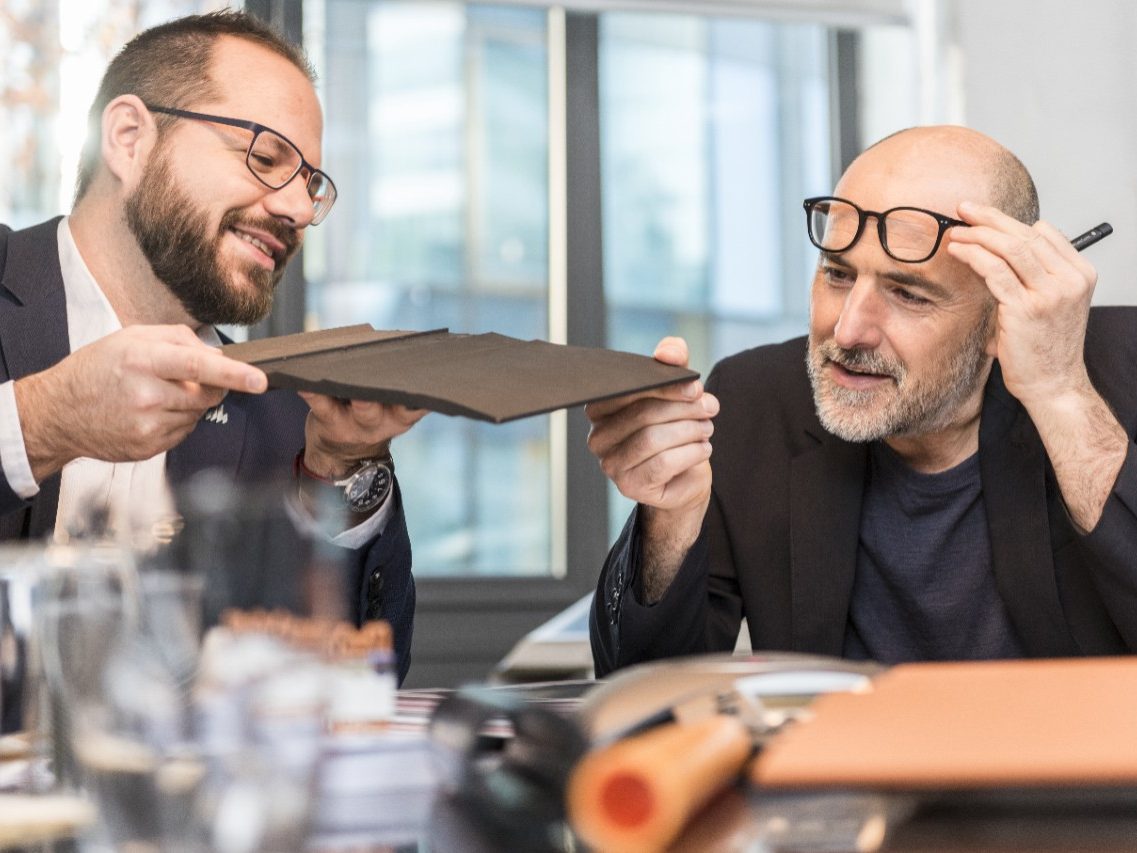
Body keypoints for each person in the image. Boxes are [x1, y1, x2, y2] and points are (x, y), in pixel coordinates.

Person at [586, 125, 1137, 676]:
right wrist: (671, 520)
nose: (847, 331)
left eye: (908, 293)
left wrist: (1062, 396)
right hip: (843, 761)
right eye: (837, 274)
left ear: (1001, 315)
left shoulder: (1115, 373)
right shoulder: (754, 399)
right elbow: (642, 684)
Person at [0, 11, 424, 682]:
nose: (296, 210)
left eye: (309, 183)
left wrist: (342, 469)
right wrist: (40, 419)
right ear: (130, 138)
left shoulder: (287, 422)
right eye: (264, 158)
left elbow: (354, 687)